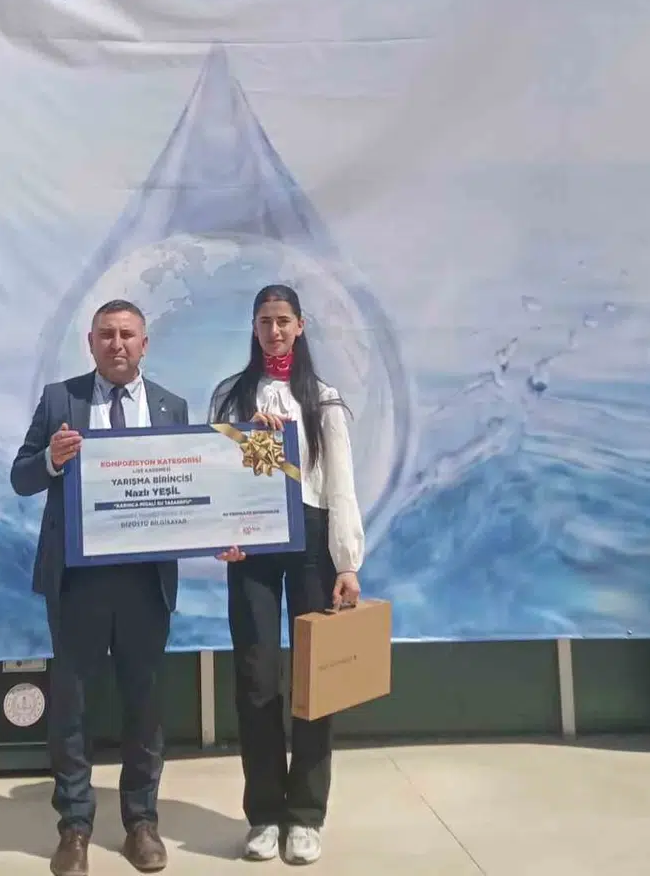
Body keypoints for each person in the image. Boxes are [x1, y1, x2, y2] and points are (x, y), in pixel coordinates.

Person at [11, 299, 189, 876]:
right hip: (78, 581)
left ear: (144, 343)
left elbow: (190, 491)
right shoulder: (59, 400)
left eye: (127, 334)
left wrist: (224, 532)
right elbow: (20, 477)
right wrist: (51, 459)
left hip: (145, 582)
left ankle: (141, 822)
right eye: (106, 334)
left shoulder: (172, 406)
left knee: (145, 704)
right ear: (90, 343)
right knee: (72, 706)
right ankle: (75, 828)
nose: (117, 344)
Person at [210, 285, 366, 867]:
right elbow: (218, 477)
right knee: (256, 678)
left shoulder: (322, 399)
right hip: (252, 543)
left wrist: (346, 562)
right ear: (253, 328)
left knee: (313, 680)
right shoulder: (231, 396)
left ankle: (305, 815)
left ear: (300, 326)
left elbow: (341, 483)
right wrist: (252, 447)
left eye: (283, 321)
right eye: (264, 321)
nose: (274, 331)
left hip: (311, 539)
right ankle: (264, 815)